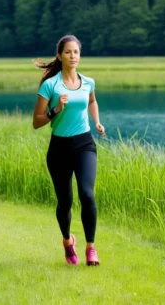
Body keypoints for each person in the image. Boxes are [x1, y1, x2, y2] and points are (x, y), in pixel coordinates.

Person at [32, 34, 105, 266]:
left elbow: (92, 101)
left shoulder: (88, 82)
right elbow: (37, 121)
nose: (73, 56)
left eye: (76, 52)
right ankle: (67, 241)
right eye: (68, 52)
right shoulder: (50, 85)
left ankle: (91, 248)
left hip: (84, 144)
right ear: (59, 55)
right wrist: (56, 109)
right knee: (65, 202)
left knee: (87, 194)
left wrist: (96, 121)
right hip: (59, 148)